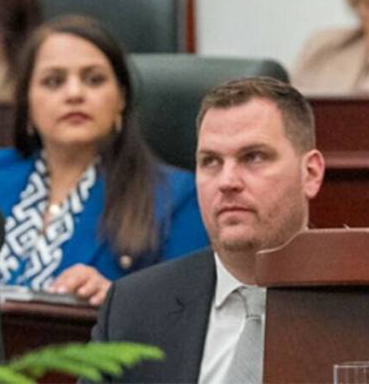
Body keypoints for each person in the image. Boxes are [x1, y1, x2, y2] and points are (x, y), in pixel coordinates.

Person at [0, 15, 207, 305]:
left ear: (121, 98)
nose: (74, 94)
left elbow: (185, 310)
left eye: (94, 80)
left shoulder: (175, 196)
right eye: (53, 81)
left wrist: (118, 300)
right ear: (27, 102)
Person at [90, 77, 325, 383]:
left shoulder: (364, 307)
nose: (227, 181)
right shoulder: (133, 307)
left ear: (310, 173)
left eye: (253, 157)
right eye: (211, 161)